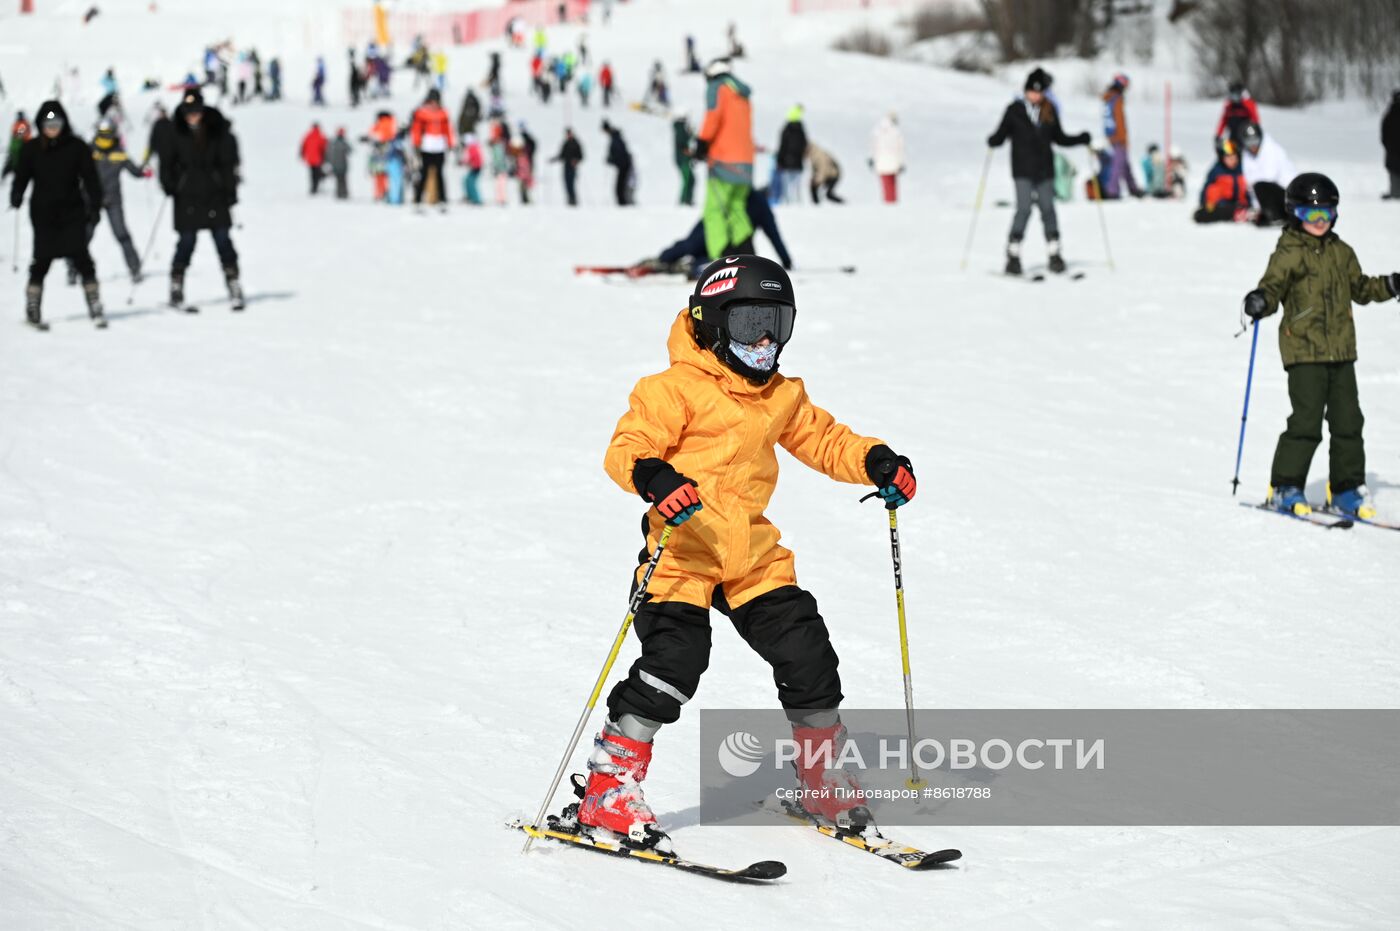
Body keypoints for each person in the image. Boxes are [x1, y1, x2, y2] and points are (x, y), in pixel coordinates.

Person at [581, 255, 919, 843]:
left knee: (808, 653)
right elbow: (628, 445)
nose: (763, 340)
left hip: (749, 556)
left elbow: (823, 438)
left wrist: (875, 461)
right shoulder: (671, 389)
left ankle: (821, 778)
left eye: (777, 324)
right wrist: (654, 477)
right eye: (747, 324)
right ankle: (609, 788)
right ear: (711, 323)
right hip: (682, 555)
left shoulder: (779, 396)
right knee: (673, 666)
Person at [1242, 173, 1399, 518]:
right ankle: (1285, 486)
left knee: (1348, 422)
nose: (1318, 222)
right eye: (1310, 215)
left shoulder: (1342, 253)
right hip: (1303, 353)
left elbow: (1360, 288)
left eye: (1325, 214)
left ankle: (1346, 489)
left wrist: (1389, 285)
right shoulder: (1288, 253)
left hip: (1341, 352)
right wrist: (1259, 301)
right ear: (1294, 215)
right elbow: (1271, 289)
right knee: (1306, 422)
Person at [8, 100, 106, 330]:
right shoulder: (31, 148)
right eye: (48, 123)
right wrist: (16, 194)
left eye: (57, 122)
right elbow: (21, 176)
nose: (52, 127)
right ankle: (33, 305)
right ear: (40, 124)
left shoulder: (77, 147)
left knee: (82, 258)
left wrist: (95, 205)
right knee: (42, 259)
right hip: (44, 213)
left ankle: (94, 303)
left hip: (72, 211)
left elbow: (91, 178)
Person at [987, 68, 1091, 275]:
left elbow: (1059, 138)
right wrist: (994, 140)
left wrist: (1080, 138)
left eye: (1039, 92)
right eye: (1032, 91)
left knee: (1048, 209)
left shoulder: (1049, 110)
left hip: (1044, 169)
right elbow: (1002, 134)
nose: (1035, 95)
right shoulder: (1014, 110)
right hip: (1022, 169)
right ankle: (1013, 255)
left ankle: (1055, 254)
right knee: (1024, 209)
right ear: (1025, 91)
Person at [160, 89, 243, 310]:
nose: (193, 116)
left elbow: (228, 164)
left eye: (196, 111)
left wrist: (230, 190)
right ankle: (176, 288)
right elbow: (166, 162)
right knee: (186, 242)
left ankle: (234, 284)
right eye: (189, 112)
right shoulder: (174, 130)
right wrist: (170, 185)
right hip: (187, 195)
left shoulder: (217, 130)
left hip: (214, 193)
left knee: (223, 240)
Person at [637, 186, 792, 277]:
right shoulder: (761, 206)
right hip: (724, 239)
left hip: (714, 230)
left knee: (691, 246)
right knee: (708, 254)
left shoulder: (740, 193)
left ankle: (668, 260)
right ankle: (685, 263)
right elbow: (774, 236)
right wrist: (786, 260)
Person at [695, 58, 755, 256]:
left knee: (715, 211)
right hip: (746, 163)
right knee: (737, 209)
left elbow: (713, 116)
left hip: (724, 162)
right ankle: (747, 255)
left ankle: (720, 259)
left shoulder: (717, 87)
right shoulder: (742, 93)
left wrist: (701, 143)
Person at [87, 118, 149, 281]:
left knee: (121, 233)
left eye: (108, 135)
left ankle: (135, 267)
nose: (105, 138)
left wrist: (143, 171)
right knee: (85, 234)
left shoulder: (119, 152)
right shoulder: (90, 150)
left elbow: (134, 171)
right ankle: (74, 268)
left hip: (113, 200)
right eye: (102, 134)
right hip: (92, 199)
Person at [1239, 122, 1294, 225]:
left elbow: (1268, 178)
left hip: (1289, 196)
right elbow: (1250, 182)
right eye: (1248, 142)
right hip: (1269, 194)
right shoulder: (1247, 155)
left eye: (1255, 140)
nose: (1253, 145)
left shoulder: (1272, 149)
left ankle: (1278, 216)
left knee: (1261, 186)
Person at [410, 88, 454, 208]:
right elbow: (417, 130)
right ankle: (418, 200)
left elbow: (447, 130)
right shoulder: (421, 113)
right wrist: (417, 144)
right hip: (427, 146)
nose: (434, 104)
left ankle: (442, 199)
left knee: (440, 174)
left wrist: (450, 143)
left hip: (439, 146)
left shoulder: (443, 113)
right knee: (423, 174)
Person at [1101, 73, 1142, 198]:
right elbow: (1119, 120)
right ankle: (1112, 190)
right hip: (1118, 137)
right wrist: (1123, 137)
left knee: (1124, 163)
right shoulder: (1116, 99)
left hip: (1112, 136)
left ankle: (1133, 187)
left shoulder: (1109, 98)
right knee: (1118, 164)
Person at [1193, 138, 1251, 224]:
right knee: (1201, 214)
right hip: (1219, 205)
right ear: (1222, 158)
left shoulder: (1243, 171)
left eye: (1234, 157)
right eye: (1229, 157)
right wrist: (1204, 202)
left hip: (1239, 205)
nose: (1232, 160)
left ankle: (1241, 214)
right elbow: (1206, 188)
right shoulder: (1217, 171)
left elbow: (1248, 192)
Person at [775, 105, 807, 205]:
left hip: (786, 162)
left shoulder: (786, 131)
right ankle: (797, 202)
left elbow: (782, 147)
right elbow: (804, 146)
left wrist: (779, 161)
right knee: (797, 186)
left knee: (786, 186)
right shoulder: (801, 131)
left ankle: (787, 203)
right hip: (798, 162)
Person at [870, 112, 904, 203]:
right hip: (893, 161)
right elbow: (900, 148)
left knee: (885, 184)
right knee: (892, 184)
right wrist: (901, 162)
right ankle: (892, 202)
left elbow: (874, 146)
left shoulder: (878, 131)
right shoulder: (896, 132)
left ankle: (887, 202)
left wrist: (873, 159)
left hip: (881, 161)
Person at [1216, 81, 1261, 147]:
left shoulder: (1247, 105)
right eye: (1232, 95)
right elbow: (1223, 121)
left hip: (1246, 138)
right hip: (1233, 138)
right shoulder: (1229, 107)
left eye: (1236, 95)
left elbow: (1255, 119)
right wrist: (1218, 135)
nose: (1234, 98)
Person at [365, 110, 395, 201]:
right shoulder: (392, 123)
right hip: (388, 155)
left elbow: (373, 135)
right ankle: (386, 192)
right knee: (386, 176)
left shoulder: (381, 124)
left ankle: (380, 193)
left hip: (379, 155)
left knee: (379, 175)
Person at [602, 119, 633, 206]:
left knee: (620, 188)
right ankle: (622, 204)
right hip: (623, 165)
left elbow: (619, 154)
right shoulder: (615, 137)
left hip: (624, 165)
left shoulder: (615, 138)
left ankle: (623, 205)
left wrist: (611, 160)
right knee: (620, 188)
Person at [551, 127, 583, 206]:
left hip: (572, 167)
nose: (568, 135)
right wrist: (554, 159)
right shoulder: (565, 143)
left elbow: (581, 156)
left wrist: (576, 160)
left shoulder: (576, 143)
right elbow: (562, 155)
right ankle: (570, 198)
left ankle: (573, 199)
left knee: (571, 183)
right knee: (566, 183)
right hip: (566, 166)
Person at [672, 112, 695, 206]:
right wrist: (690, 153)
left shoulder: (682, 129)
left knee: (691, 179)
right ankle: (684, 201)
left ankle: (687, 200)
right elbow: (682, 146)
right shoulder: (680, 129)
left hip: (684, 159)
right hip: (683, 160)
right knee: (688, 179)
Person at [300, 122, 327, 194]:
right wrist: (325, 157)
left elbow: (303, 146)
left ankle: (313, 188)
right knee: (317, 173)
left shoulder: (308, 135)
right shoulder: (321, 136)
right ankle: (316, 187)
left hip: (310, 158)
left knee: (312, 174)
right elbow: (324, 148)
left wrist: (302, 155)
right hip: (318, 159)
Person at [3, 110, 32, 178]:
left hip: (22, 144)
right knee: (14, 160)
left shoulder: (22, 123)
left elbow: (22, 133)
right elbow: (17, 134)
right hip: (18, 145)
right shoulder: (19, 124)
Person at [1382, 90, 1400, 200]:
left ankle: (1395, 192)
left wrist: (1389, 147)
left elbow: (1384, 135)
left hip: (1392, 152)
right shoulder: (1389, 115)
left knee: (1394, 173)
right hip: (1392, 151)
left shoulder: (1389, 115)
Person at [461, 132, 484, 204]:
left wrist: (464, 162)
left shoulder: (472, 147)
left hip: (476, 167)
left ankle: (476, 199)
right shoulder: (475, 147)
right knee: (467, 180)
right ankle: (471, 196)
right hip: (476, 167)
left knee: (471, 182)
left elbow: (472, 157)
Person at [328, 127, 351, 199]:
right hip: (343, 165)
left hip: (335, 165)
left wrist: (330, 163)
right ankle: (344, 193)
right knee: (343, 180)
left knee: (338, 180)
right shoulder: (344, 142)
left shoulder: (333, 143)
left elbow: (329, 153)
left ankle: (339, 193)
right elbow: (350, 150)